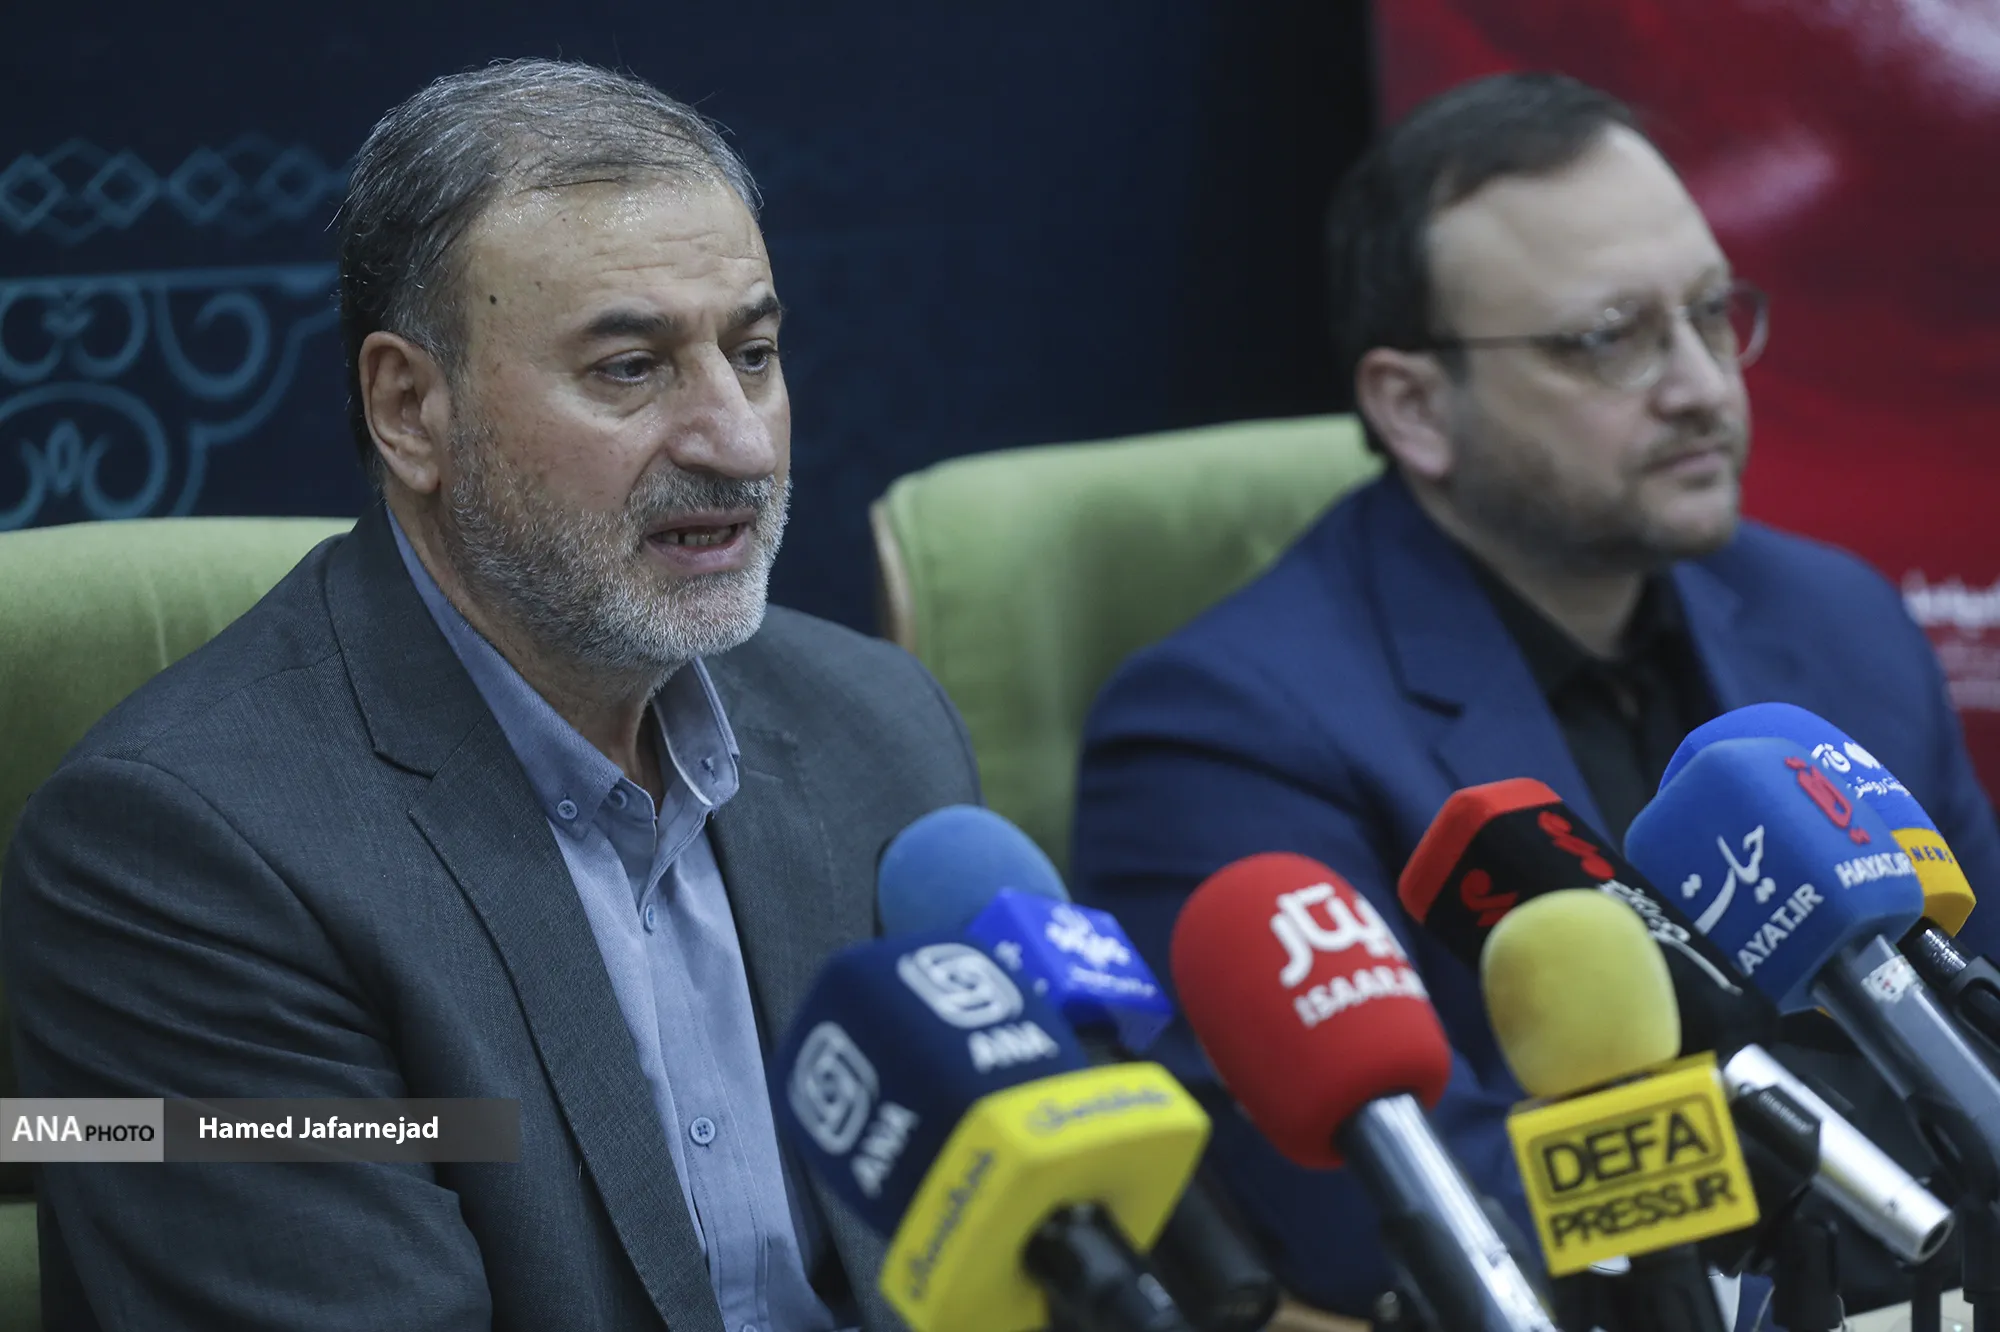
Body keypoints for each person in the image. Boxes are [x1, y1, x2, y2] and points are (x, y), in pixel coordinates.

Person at [2, 60, 978, 1331]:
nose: (739, 441)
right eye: (629, 368)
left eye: (752, 354)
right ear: (411, 409)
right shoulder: (172, 864)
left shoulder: (880, 732)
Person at [1070, 71, 2000, 1321]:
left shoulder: (1834, 623)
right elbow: (1399, 1227)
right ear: (1413, 407)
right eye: (1607, 338)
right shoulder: (1222, 732)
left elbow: (1975, 1024)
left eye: (1710, 312)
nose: (1699, 384)